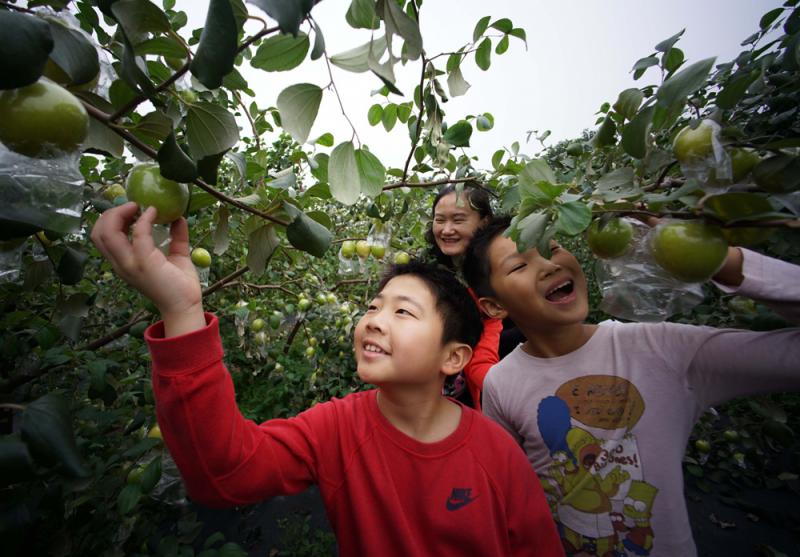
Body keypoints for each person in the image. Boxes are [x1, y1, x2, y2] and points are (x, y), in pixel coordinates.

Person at [91, 202, 564, 557]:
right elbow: (224, 474)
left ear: (454, 357)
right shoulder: (336, 429)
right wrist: (182, 311)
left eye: (403, 312)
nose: (375, 320)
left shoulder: (496, 452)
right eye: (373, 307)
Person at [462, 214, 800, 557]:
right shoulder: (501, 383)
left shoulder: (660, 349)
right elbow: (511, 494)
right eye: (519, 266)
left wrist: (715, 258)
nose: (549, 265)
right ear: (494, 306)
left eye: (553, 247)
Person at [425, 184, 523, 410]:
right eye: (440, 220)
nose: (447, 230)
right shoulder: (436, 276)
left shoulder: (505, 266)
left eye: (458, 220)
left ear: (484, 222)